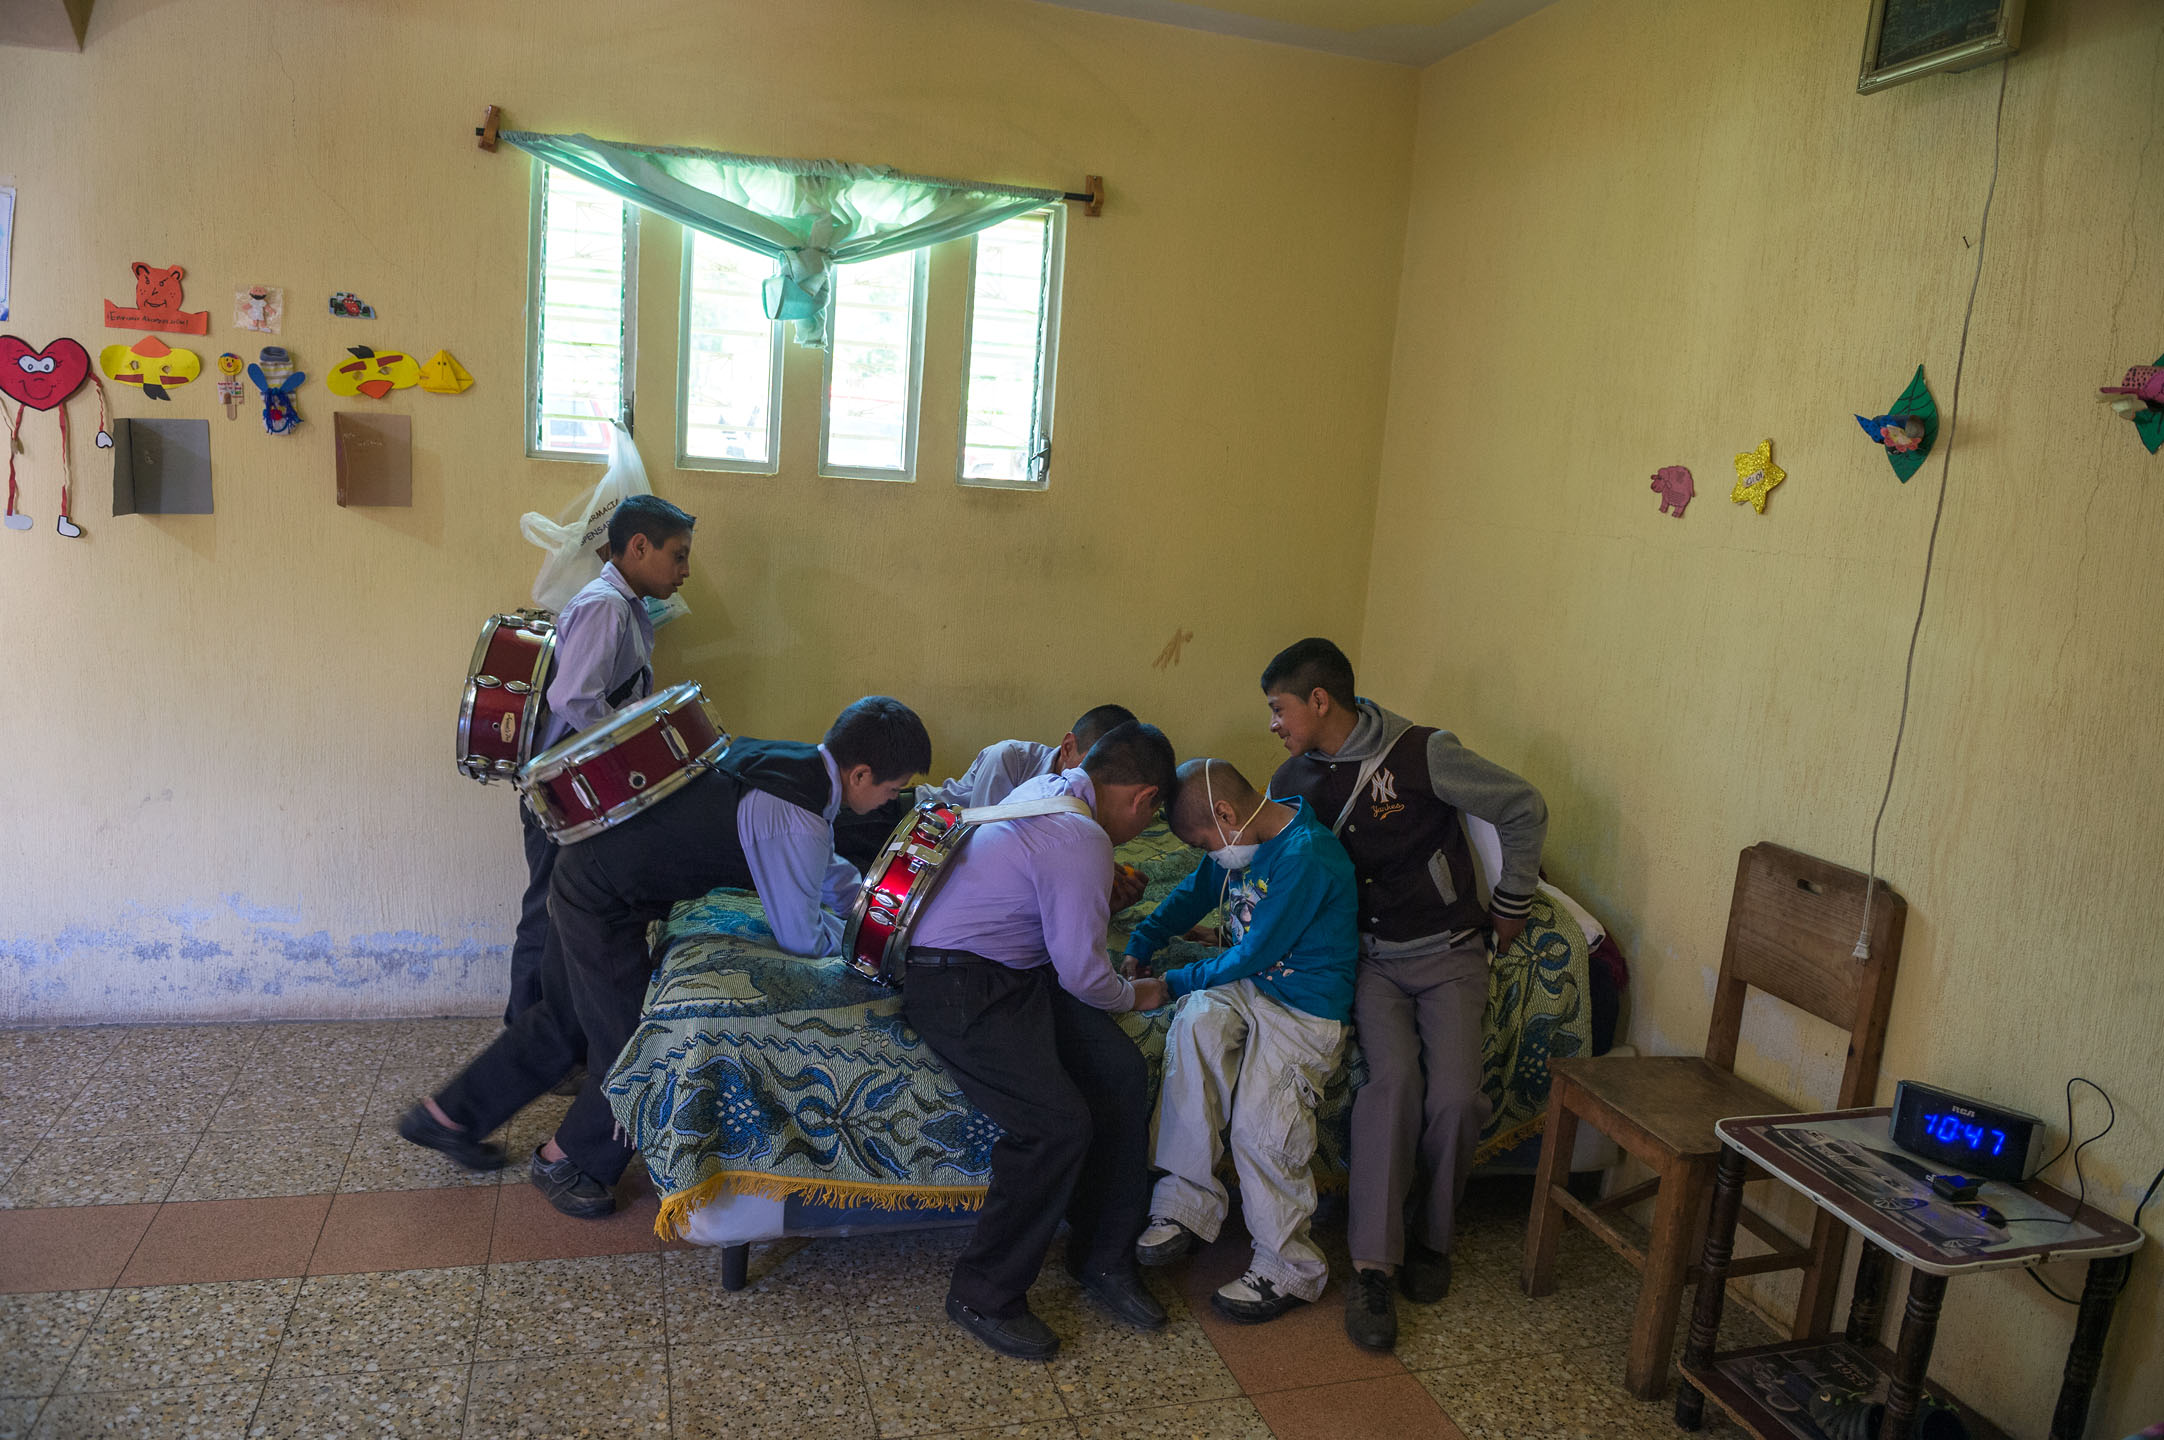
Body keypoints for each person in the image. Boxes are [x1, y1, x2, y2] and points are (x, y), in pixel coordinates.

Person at [399, 696, 932, 1218]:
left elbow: (827, 869)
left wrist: (872, 909)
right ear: (860, 774)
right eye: (891, 790)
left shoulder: (794, 769)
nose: (890, 801)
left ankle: (446, 1117)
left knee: (565, 1018)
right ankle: (567, 1163)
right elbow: (801, 936)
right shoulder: (796, 810)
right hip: (603, 901)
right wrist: (865, 951)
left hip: (583, 870)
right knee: (634, 1044)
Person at [1261, 638, 1547, 1353]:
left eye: (1279, 708)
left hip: (1449, 953)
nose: (1274, 723)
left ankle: (1434, 1239)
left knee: (1455, 1098)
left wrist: (1511, 903)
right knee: (1391, 1090)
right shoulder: (1294, 777)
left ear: (1320, 700)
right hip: (1370, 962)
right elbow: (1271, 855)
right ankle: (1373, 1271)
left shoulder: (1424, 753)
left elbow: (1521, 807)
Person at [900, 720, 1178, 1359]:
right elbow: (1086, 976)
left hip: (1012, 969)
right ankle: (983, 1291)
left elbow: (1058, 939)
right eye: (1152, 816)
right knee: (1054, 1125)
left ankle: (1102, 1256)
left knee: (1121, 1071)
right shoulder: (1080, 835)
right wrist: (1144, 992)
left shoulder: (1049, 787)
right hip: (955, 982)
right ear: (1144, 800)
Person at [1121, 759, 1356, 1325]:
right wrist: (1144, 938)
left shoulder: (1306, 857)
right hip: (1251, 986)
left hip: (1304, 1005)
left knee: (1261, 1122)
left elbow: (1253, 953)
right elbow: (1192, 890)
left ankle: (1288, 1267)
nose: (1210, 853)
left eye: (1205, 840)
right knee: (1196, 1023)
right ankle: (1186, 1201)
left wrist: (1168, 984)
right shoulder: (1239, 844)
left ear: (1226, 815)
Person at [507, 496, 694, 1025]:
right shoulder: (605, 606)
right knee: (548, 911)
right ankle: (525, 1034)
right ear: (639, 547)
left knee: (567, 910)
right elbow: (573, 699)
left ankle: (554, 1036)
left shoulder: (624, 605)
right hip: (563, 790)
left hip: (580, 788)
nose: (685, 571)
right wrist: (628, 751)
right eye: (678, 556)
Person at [920, 704, 1136, 809]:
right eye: (1092, 766)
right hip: (911, 818)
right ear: (1068, 747)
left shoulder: (1091, 799)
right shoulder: (1008, 759)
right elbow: (983, 841)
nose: (1098, 784)